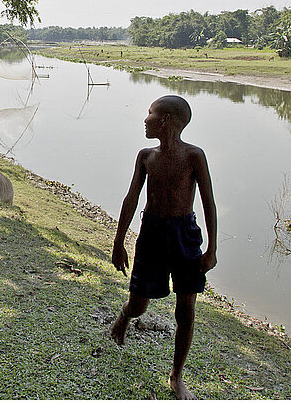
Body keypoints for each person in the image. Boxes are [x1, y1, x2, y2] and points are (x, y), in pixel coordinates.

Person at [110, 95, 217, 400]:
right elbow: (131, 199)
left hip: (185, 234)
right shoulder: (146, 156)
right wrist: (119, 243)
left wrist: (212, 249)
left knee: (186, 310)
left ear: (167, 120)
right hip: (152, 234)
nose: (146, 119)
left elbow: (208, 202)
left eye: (151, 114)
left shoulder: (194, 156)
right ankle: (124, 318)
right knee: (139, 304)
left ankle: (176, 375)